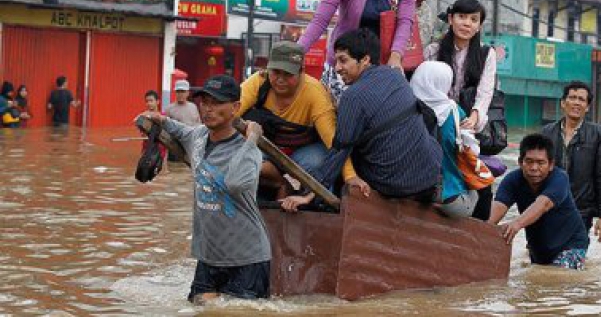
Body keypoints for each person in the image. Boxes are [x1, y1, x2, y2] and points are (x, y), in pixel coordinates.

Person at [141, 75, 271, 304]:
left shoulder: (247, 149)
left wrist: (252, 139)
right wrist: (159, 119)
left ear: (236, 107)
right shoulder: (199, 136)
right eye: (205, 102)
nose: (208, 109)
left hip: (246, 258)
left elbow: (236, 183)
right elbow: (180, 130)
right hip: (209, 257)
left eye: (216, 103)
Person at [312, 28, 442, 199]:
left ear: (365, 59)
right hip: (430, 174)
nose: (337, 68)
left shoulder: (352, 96)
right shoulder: (395, 76)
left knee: (347, 156)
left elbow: (340, 150)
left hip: (393, 185)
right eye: (336, 61)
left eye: (343, 61)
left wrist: (310, 192)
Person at [236, 41, 356, 212]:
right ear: (268, 69)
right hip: (268, 149)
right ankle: (278, 186)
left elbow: (334, 143)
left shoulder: (315, 94)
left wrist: (351, 177)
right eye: (276, 72)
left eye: (288, 74)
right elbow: (230, 112)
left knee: (319, 164)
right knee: (241, 158)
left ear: (301, 72)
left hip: (304, 152)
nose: (280, 79)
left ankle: (317, 209)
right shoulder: (258, 82)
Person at [425, 0, 497, 220]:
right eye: (462, 17)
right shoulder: (433, 50)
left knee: (482, 187)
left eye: (473, 19)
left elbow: (485, 91)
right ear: (451, 19)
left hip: (466, 127)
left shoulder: (486, 54)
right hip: (435, 123)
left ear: (479, 26)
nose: (467, 24)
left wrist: (475, 117)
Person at [489, 133, 589, 270]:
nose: (534, 168)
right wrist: (485, 228)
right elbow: (498, 207)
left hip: (571, 244)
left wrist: (516, 224)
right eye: (529, 161)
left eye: (541, 163)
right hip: (539, 249)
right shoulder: (512, 180)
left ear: (551, 164)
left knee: (553, 280)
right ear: (520, 162)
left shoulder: (560, 179)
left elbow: (542, 204)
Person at [411, 61, 493, 218]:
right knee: (482, 192)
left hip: (409, 189)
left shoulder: (406, 108)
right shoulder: (453, 111)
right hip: (449, 198)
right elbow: (473, 151)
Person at [542, 81, 601, 243]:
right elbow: (537, 172)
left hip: (581, 210)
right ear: (563, 103)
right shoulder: (547, 132)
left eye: (581, 99)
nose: (576, 102)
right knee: (538, 257)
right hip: (547, 206)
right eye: (572, 98)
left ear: (587, 107)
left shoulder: (600, 135)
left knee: (573, 257)